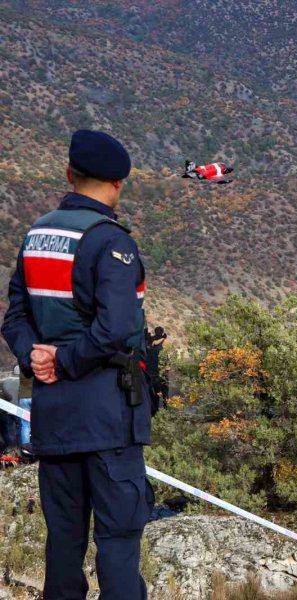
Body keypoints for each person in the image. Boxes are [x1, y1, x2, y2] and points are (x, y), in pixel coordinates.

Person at [1, 130, 154, 599]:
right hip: (107, 416)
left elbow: (15, 315)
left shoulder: (38, 235)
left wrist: (36, 357)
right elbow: (115, 329)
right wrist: (64, 361)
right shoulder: (110, 243)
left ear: (70, 174)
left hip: (55, 416)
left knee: (64, 540)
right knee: (119, 538)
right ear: (118, 184)